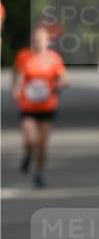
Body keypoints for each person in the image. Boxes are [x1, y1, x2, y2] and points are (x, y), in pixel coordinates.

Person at [12, 24, 68, 188]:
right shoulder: (24, 56)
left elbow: (64, 78)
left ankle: (39, 174)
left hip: (47, 107)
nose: (38, 43)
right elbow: (18, 74)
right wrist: (16, 87)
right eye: (35, 40)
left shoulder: (54, 58)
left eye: (41, 40)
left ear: (47, 41)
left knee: (42, 144)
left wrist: (61, 84)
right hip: (28, 107)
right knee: (30, 140)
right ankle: (28, 155)